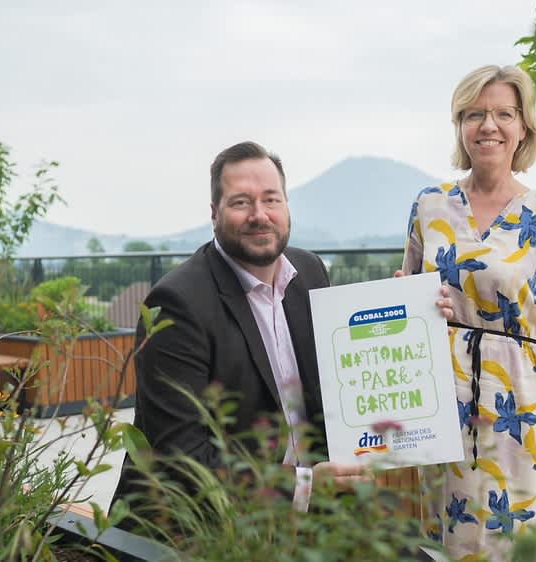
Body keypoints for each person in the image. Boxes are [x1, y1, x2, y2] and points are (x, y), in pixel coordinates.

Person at [112, 141, 453, 523]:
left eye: (271, 199)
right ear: (214, 213)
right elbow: (181, 459)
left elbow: (342, 379)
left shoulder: (308, 272)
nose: (260, 215)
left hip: (314, 509)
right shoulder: (176, 303)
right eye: (241, 202)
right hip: (211, 524)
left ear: (287, 205)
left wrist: (416, 315)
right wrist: (304, 488)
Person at [401, 65, 536, 561]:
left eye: (504, 113)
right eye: (476, 113)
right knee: (450, 531)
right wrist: (412, 301)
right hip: (445, 396)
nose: (489, 125)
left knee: (523, 534)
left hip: (524, 403)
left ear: (523, 127)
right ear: (460, 124)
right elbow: (408, 295)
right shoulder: (428, 205)